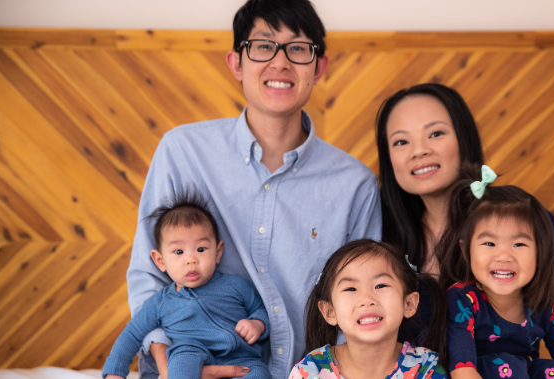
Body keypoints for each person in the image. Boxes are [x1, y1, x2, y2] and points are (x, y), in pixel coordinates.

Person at [127, 1, 381, 378]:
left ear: (319, 67)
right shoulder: (183, 151)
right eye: (263, 46)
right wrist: (172, 370)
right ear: (236, 64)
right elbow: (150, 275)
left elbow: (363, 301)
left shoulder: (355, 184)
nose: (280, 63)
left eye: (297, 49)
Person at [375, 83, 554, 373]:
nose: (419, 151)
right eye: (401, 142)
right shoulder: (381, 238)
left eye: (436, 133)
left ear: (463, 139)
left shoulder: (526, 224)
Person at [444, 166, 554, 379]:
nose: (504, 256)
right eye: (489, 243)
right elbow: (462, 369)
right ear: (465, 252)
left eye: (519, 244)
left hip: (521, 372)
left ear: (541, 255)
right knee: (507, 367)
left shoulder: (544, 305)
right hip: (477, 374)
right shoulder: (462, 299)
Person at [104, 192, 270, 379]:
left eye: (200, 249)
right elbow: (132, 334)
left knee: (259, 373)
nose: (191, 260)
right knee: (181, 359)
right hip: (191, 354)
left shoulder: (236, 285)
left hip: (241, 358)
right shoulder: (159, 302)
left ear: (218, 252)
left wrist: (257, 323)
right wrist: (114, 372)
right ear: (160, 261)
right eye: (178, 251)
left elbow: (262, 310)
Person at [289, 239, 448, 379]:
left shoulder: (427, 369)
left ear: (409, 304)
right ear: (329, 311)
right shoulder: (309, 372)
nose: (367, 299)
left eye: (380, 285)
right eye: (351, 289)